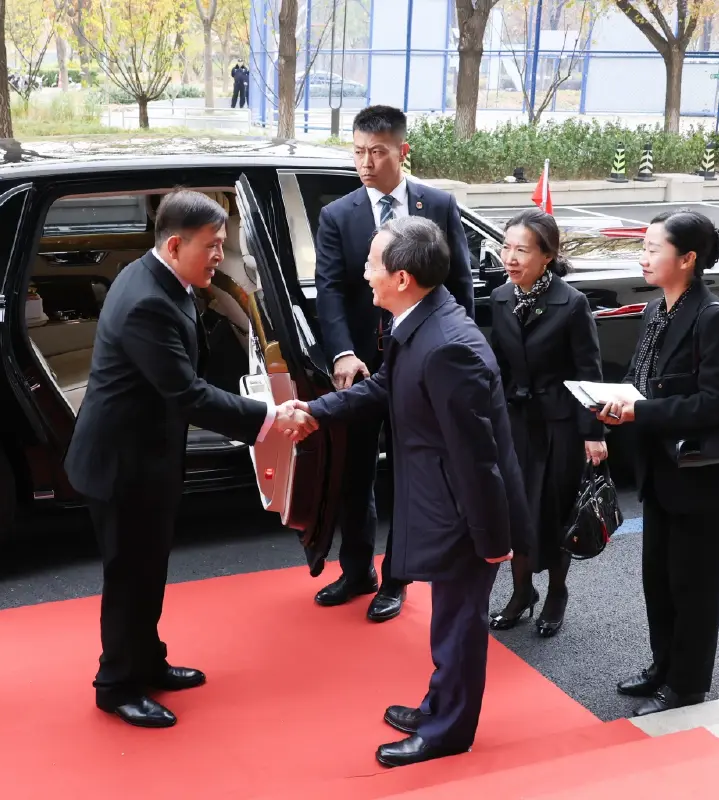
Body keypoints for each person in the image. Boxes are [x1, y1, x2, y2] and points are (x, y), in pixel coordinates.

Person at [63, 189, 317, 729]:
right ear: (175, 244)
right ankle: (117, 685)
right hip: (120, 465)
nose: (220, 257)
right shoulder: (148, 301)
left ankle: (147, 661)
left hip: (146, 458)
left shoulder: (158, 275)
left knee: (148, 568)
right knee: (130, 577)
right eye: (213, 246)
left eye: (223, 244)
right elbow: (188, 394)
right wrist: (270, 418)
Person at [293, 216, 526, 767]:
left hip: (465, 512)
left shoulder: (448, 345)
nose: (364, 272)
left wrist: (494, 539)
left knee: (458, 624)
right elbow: (380, 386)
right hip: (441, 498)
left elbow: (479, 456)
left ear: (401, 277)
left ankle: (448, 730)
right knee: (449, 620)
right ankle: (439, 706)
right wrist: (316, 412)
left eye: (373, 263)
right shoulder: (418, 322)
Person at [311, 104, 474, 622]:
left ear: (403, 151)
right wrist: (342, 352)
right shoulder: (339, 215)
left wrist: (452, 355)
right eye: (358, 151)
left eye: (377, 151)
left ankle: (398, 577)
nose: (366, 162)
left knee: (409, 474)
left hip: (420, 365)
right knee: (353, 475)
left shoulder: (439, 205)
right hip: (360, 367)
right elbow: (331, 290)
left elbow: (460, 286)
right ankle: (356, 569)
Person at [596, 210, 719, 717]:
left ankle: (686, 684)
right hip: (663, 471)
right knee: (659, 579)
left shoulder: (713, 319)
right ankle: (662, 666)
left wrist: (640, 411)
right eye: (642, 247)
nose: (642, 257)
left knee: (694, 586)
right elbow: (643, 381)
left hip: (706, 479)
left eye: (652, 249)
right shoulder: (655, 310)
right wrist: (613, 401)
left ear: (686, 260)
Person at [487, 209, 607, 638]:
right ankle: (522, 592)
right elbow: (496, 367)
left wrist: (593, 433)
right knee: (515, 512)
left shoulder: (570, 303)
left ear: (547, 256)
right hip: (516, 424)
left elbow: (587, 372)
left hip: (559, 426)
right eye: (506, 247)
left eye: (522, 250)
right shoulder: (500, 297)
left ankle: (556, 592)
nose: (511, 257)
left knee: (555, 514)